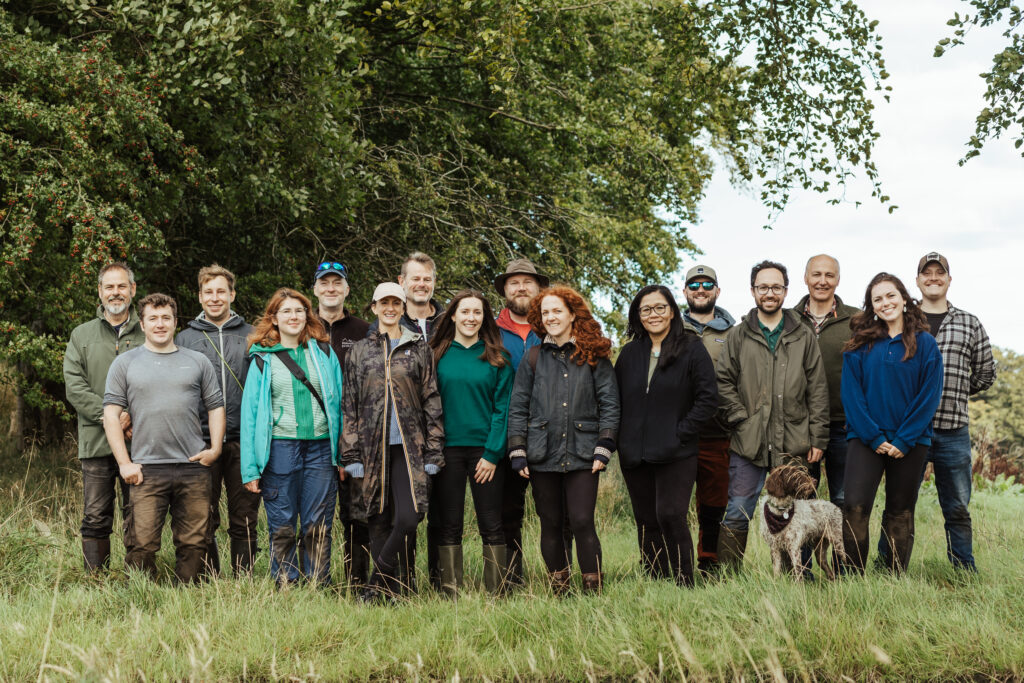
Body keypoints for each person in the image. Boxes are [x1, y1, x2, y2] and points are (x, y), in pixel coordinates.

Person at [877, 253, 995, 571]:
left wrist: (951, 391)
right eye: (925, 273)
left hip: (952, 429)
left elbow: (986, 374)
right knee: (899, 505)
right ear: (916, 281)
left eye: (939, 272)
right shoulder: (901, 321)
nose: (932, 277)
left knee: (957, 507)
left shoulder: (969, 323)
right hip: (908, 432)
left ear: (948, 279)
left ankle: (963, 568)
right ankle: (888, 567)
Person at [715, 260, 829, 573]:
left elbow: (817, 389)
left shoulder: (802, 336)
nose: (769, 293)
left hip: (793, 441)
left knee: (797, 512)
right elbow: (723, 382)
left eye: (776, 287)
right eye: (763, 287)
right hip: (748, 442)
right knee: (738, 509)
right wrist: (741, 419)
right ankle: (728, 577)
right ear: (753, 291)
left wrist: (818, 437)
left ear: (785, 291)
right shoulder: (738, 335)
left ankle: (798, 578)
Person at [102, 293, 224, 583]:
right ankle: (143, 598)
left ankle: (189, 597)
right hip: (145, 469)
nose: (160, 324)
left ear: (175, 322)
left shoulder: (198, 361)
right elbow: (110, 415)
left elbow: (216, 407)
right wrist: (124, 463)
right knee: (141, 544)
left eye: (165, 318)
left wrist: (215, 449)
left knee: (195, 542)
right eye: (153, 319)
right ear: (142, 324)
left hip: (193, 466)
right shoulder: (125, 363)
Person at [507, 286, 620, 594]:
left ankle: (592, 589)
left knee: (582, 520)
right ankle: (560, 589)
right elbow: (517, 405)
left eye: (557, 311)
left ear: (572, 314)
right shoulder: (532, 357)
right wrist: (518, 448)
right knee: (551, 523)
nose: (551, 317)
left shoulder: (594, 355)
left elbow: (610, 403)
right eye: (545, 312)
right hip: (542, 453)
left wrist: (605, 443)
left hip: (585, 452)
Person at [341, 282, 444, 603]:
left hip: (410, 449)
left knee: (409, 517)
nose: (390, 308)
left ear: (402, 307)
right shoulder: (359, 351)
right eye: (383, 303)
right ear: (373, 307)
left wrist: (434, 449)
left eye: (395, 303)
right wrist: (351, 453)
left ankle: (373, 584)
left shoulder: (418, 348)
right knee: (378, 517)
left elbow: (432, 400)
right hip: (371, 451)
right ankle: (390, 592)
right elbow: (349, 404)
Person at [240, 288, 343, 588]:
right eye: (286, 311)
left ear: (307, 316)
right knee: (282, 521)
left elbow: (340, 402)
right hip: (280, 448)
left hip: (322, 448)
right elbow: (250, 415)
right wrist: (250, 468)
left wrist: (344, 455)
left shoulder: (323, 353)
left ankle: (317, 584)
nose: (294, 316)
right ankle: (286, 583)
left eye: (299, 311)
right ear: (274, 317)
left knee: (317, 522)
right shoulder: (262, 359)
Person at [841, 273, 943, 574]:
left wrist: (904, 439)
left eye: (890, 296)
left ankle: (891, 575)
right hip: (865, 438)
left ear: (903, 297)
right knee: (855, 508)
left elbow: (929, 395)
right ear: (871, 306)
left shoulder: (925, 344)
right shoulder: (859, 345)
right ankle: (853, 576)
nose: (885, 303)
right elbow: (852, 396)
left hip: (910, 441)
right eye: (878, 299)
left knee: (899, 512)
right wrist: (873, 437)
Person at [616, 285, 717, 586]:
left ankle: (684, 580)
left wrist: (680, 432)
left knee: (671, 514)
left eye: (660, 307)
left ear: (672, 311)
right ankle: (656, 579)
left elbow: (708, 399)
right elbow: (614, 399)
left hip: (677, 451)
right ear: (638, 315)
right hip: (635, 452)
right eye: (646, 309)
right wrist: (621, 438)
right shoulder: (629, 353)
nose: (653, 314)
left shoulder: (691, 347)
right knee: (646, 521)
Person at [175, 264, 260, 576]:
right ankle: (207, 579)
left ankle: (243, 581)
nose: (215, 298)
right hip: (199, 441)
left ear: (232, 294)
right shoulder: (183, 339)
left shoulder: (253, 335)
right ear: (199, 297)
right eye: (208, 292)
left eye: (221, 291)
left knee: (245, 515)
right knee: (203, 515)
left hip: (244, 439)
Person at [429, 290, 515, 596]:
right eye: (464, 312)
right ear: (453, 315)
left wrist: (492, 454)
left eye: (477, 313)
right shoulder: (436, 354)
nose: (470, 318)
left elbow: (502, 410)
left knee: (491, 522)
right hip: (447, 451)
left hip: (485, 452)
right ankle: (450, 591)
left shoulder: (498, 358)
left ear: (484, 318)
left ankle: (497, 591)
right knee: (449, 523)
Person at [64, 262, 146, 571]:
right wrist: (111, 417)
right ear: (100, 292)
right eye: (109, 287)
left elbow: (159, 382)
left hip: (137, 440)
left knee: (138, 511)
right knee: (96, 514)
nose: (116, 292)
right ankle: (95, 578)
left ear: (132, 290)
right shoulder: (81, 335)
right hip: (96, 441)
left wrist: (132, 417)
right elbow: (75, 386)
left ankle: (137, 578)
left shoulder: (148, 332)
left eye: (122, 286)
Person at [311, 259, 372, 590]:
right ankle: (316, 581)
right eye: (325, 283)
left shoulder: (365, 330)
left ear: (347, 289)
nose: (331, 288)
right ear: (316, 289)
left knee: (356, 514)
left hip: (357, 438)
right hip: (315, 436)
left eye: (337, 283)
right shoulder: (302, 328)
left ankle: (357, 583)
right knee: (316, 513)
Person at [493, 258, 548, 587]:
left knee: (555, 513)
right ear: (505, 290)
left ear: (538, 288)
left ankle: (559, 575)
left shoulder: (554, 325)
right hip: (503, 436)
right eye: (514, 282)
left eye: (528, 281)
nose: (521, 287)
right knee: (506, 513)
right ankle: (509, 580)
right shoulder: (490, 331)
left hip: (549, 436)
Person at [792, 255, 858, 510]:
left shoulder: (857, 320)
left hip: (844, 425)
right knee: (802, 502)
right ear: (806, 278)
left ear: (838, 280)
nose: (822, 281)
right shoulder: (788, 319)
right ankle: (805, 552)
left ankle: (842, 552)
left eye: (829, 275)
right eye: (816, 275)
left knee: (843, 501)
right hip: (800, 426)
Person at [681, 264, 735, 575]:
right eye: (694, 284)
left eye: (707, 284)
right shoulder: (672, 328)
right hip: (679, 434)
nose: (701, 289)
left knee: (713, 505)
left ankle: (710, 562)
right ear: (685, 291)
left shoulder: (735, 332)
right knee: (671, 506)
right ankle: (672, 562)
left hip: (719, 433)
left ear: (717, 290)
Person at [398, 251, 444, 338]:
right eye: (416, 279)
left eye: (427, 280)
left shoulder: (449, 323)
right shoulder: (390, 324)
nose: (422, 284)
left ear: (434, 282)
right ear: (402, 281)